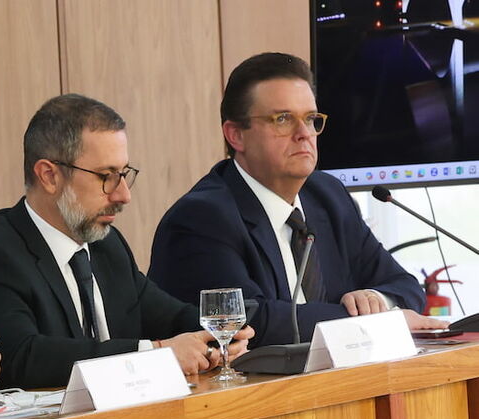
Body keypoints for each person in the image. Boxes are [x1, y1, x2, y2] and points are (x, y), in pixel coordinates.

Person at [0, 94, 252, 389]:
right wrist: (156, 353)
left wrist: (220, 336)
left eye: (124, 174)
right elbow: (23, 359)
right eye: (106, 176)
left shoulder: (106, 245)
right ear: (49, 176)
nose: (123, 195)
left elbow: (168, 315)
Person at [149, 52, 442, 347]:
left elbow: (405, 287)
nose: (304, 134)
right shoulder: (202, 218)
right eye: (283, 119)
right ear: (236, 135)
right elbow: (250, 323)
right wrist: (371, 323)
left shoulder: (327, 195)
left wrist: (376, 300)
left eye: (311, 119)